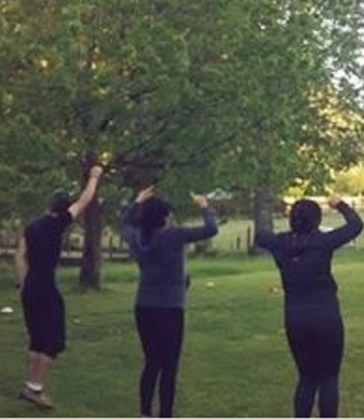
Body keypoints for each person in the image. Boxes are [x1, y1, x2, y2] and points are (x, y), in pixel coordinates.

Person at [255, 195, 364, 418]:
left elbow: (260, 236)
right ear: (316, 221)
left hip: (295, 317)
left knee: (306, 377)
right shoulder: (322, 242)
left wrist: (284, 233)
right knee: (328, 377)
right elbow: (356, 225)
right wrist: (339, 204)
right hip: (326, 316)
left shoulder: (279, 243)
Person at [119, 185, 219, 418]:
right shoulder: (175, 235)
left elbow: (124, 225)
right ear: (165, 217)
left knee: (151, 362)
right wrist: (204, 206)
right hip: (171, 308)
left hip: (144, 306)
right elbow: (211, 229)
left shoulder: (137, 237)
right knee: (169, 366)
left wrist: (136, 202)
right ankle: (165, 413)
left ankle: (145, 412)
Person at [14, 165, 104, 409]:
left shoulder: (32, 227)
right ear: (64, 209)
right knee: (54, 341)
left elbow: (20, 255)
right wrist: (94, 177)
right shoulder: (58, 223)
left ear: (48, 206)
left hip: (31, 285)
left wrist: (23, 283)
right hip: (46, 287)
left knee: (36, 338)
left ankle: (29, 385)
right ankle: (35, 389)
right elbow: (85, 200)